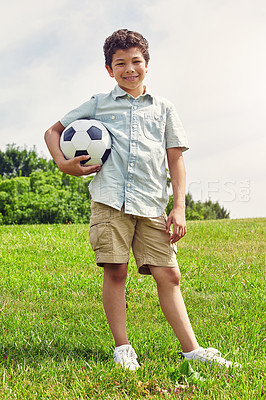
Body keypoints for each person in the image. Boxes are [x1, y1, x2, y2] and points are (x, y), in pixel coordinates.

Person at [45, 29, 237, 371]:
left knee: (170, 275)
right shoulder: (98, 104)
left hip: (151, 204)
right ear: (109, 69)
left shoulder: (164, 109)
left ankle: (192, 350)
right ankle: (123, 347)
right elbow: (53, 132)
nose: (129, 69)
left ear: (147, 64)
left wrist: (178, 208)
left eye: (136, 61)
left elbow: (176, 158)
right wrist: (64, 164)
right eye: (120, 63)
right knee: (115, 270)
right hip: (109, 202)